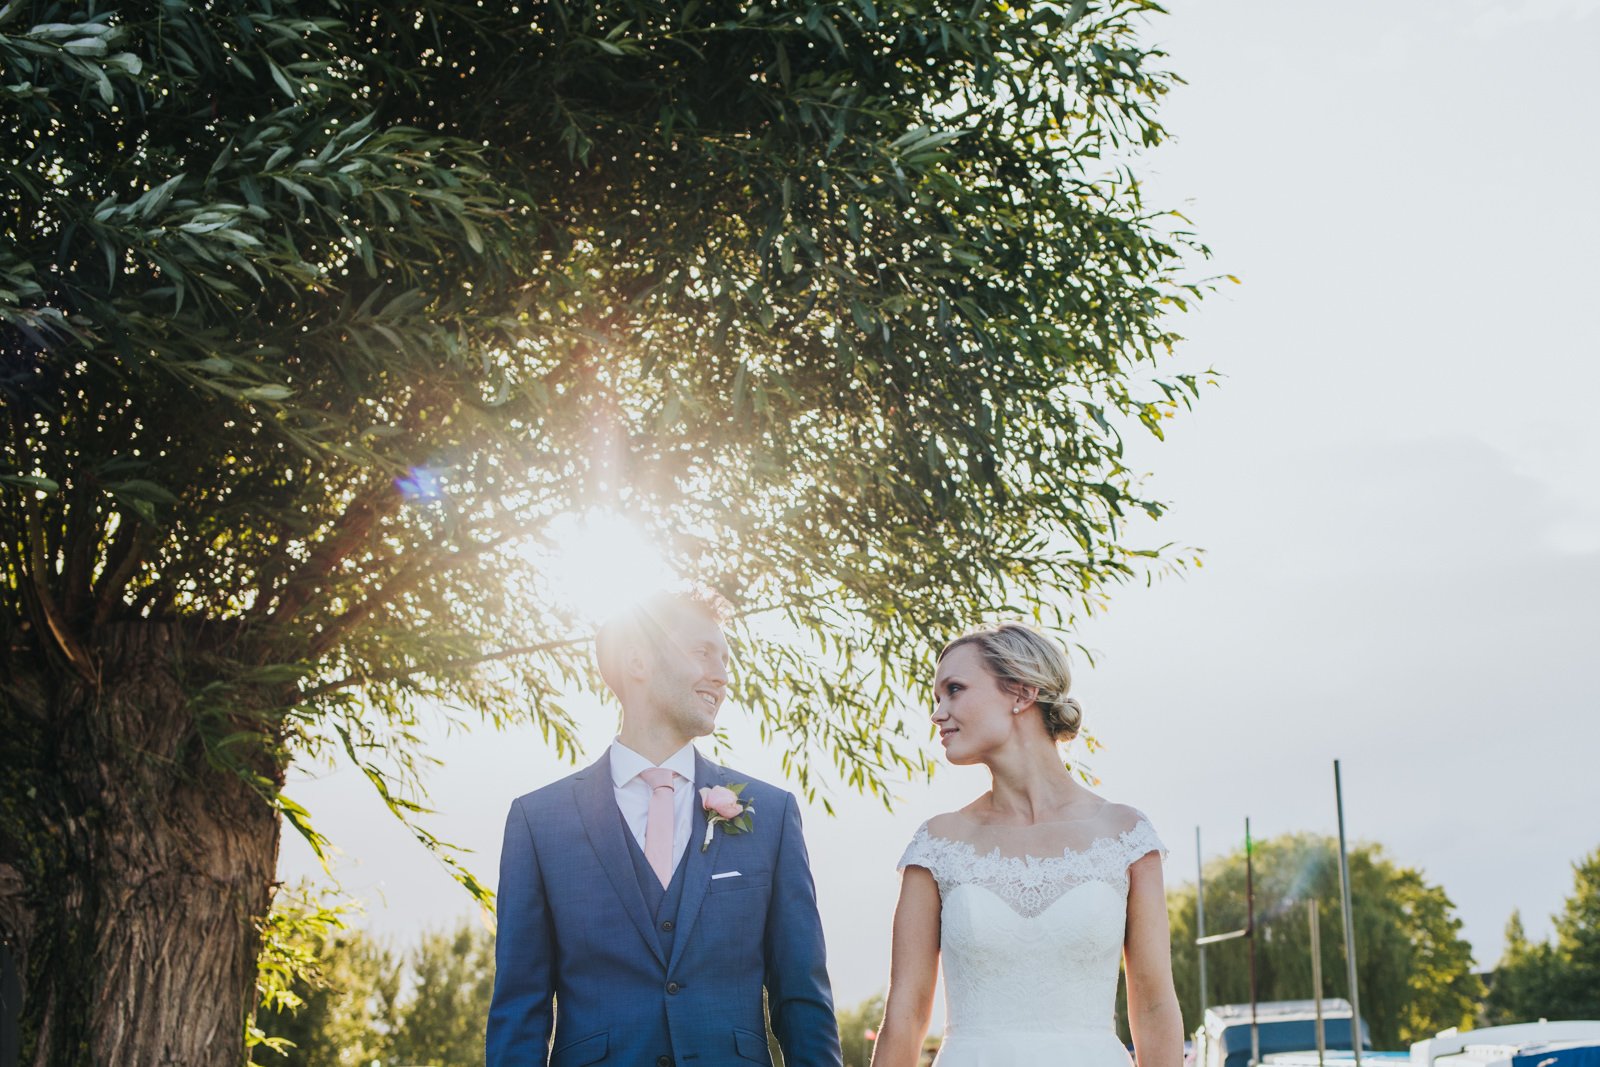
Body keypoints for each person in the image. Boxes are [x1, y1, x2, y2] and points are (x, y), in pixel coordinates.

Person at [486, 585, 843, 1067]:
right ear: (638, 662)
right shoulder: (539, 821)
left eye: (725, 659)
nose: (721, 676)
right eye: (702, 653)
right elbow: (519, 1009)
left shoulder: (772, 814)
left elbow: (802, 998)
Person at [870, 622, 1183, 1067]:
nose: (937, 714)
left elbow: (1154, 1007)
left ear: (1021, 693)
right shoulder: (937, 844)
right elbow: (904, 1015)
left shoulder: (1125, 835)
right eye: (936, 698)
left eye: (953, 690)